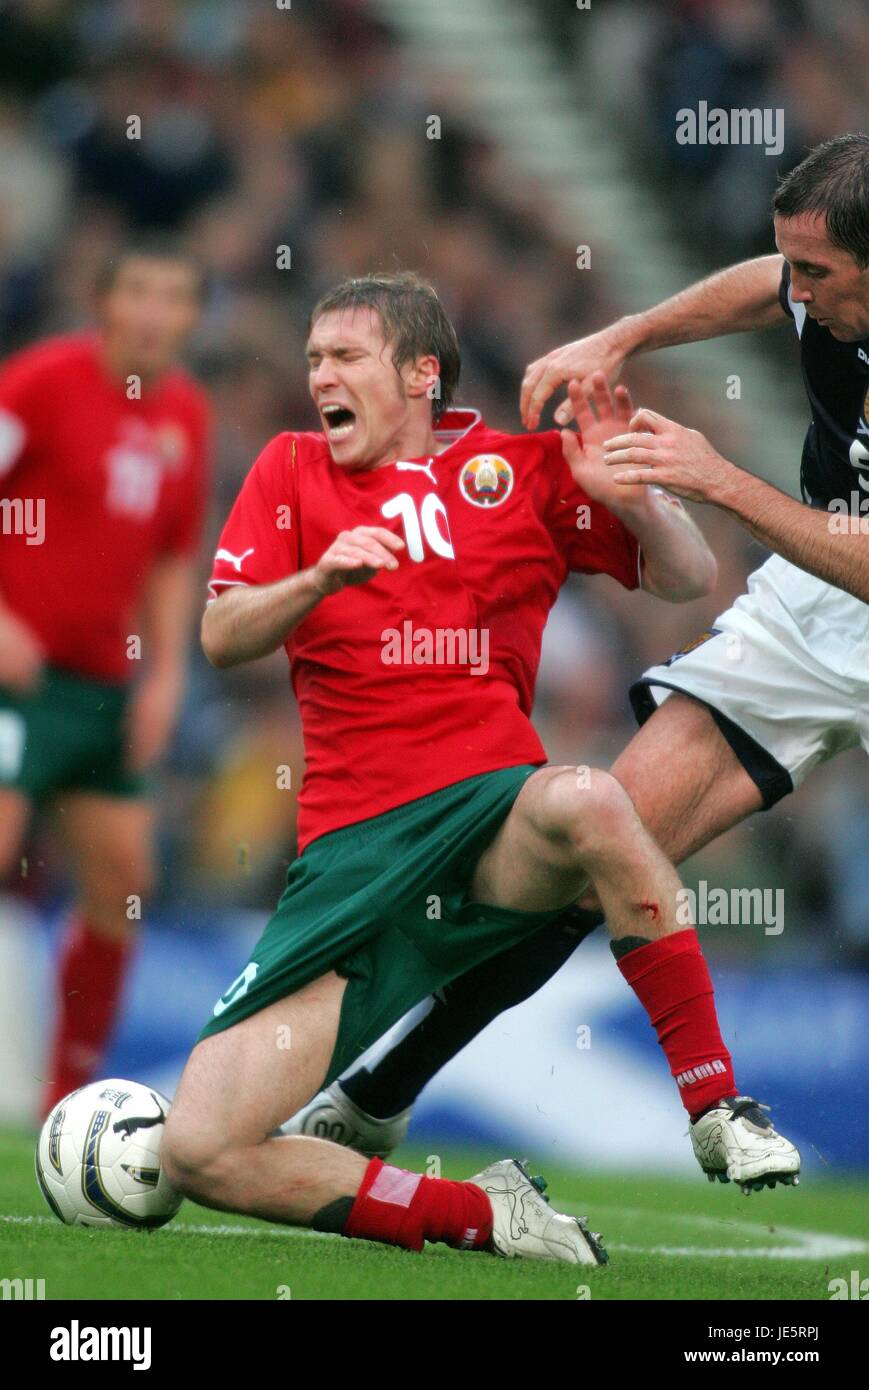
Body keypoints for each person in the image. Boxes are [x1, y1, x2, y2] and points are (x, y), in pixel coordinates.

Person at [161, 272, 790, 1265]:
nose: (318, 373)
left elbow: (685, 576)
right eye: (313, 356)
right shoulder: (289, 470)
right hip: (352, 857)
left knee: (591, 798)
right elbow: (221, 634)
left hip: (491, 814)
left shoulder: (522, 469)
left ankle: (717, 1102)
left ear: (418, 373)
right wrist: (318, 577)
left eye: (343, 355)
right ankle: (483, 1214)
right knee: (200, 1148)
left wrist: (636, 506)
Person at [285, 133, 868, 1185]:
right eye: (796, 268)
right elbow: (762, 285)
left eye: (819, 275)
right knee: (605, 843)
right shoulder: (812, 282)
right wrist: (625, 334)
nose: (798, 293)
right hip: (818, 603)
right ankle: (375, 1096)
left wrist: (718, 480)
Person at [0, 235, 210, 1116]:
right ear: (106, 302)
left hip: (102, 691)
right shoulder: (41, 382)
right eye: (141, 291)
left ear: (193, 316)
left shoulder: (186, 418)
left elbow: (170, 557)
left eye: (176, 296)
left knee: (125, 879)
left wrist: (165, 676)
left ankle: (65, 1103)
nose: (157, 313)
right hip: (16, 684)